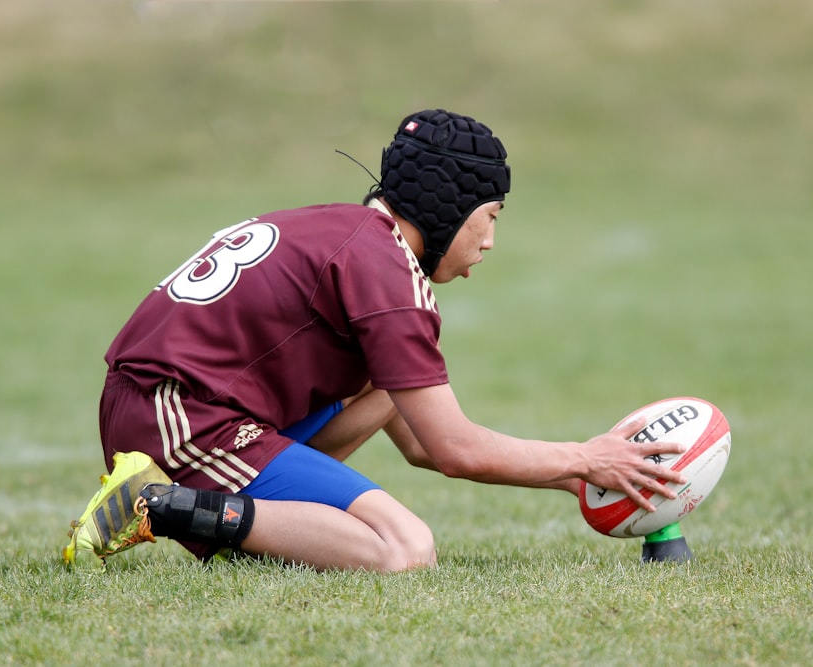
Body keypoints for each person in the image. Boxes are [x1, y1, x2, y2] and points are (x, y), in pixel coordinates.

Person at [63, 109, 690, 572]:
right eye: (491, 216)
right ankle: (164, 504)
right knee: (403, 548)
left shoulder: (353, 234)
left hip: (166, 404)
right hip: (180, 418)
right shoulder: (385, 273)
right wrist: (585, 458)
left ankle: (231, 526)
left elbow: (417, 441)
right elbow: (454, 450)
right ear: (452, 206)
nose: (490, 241)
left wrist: (589, 480)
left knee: (382, 385)